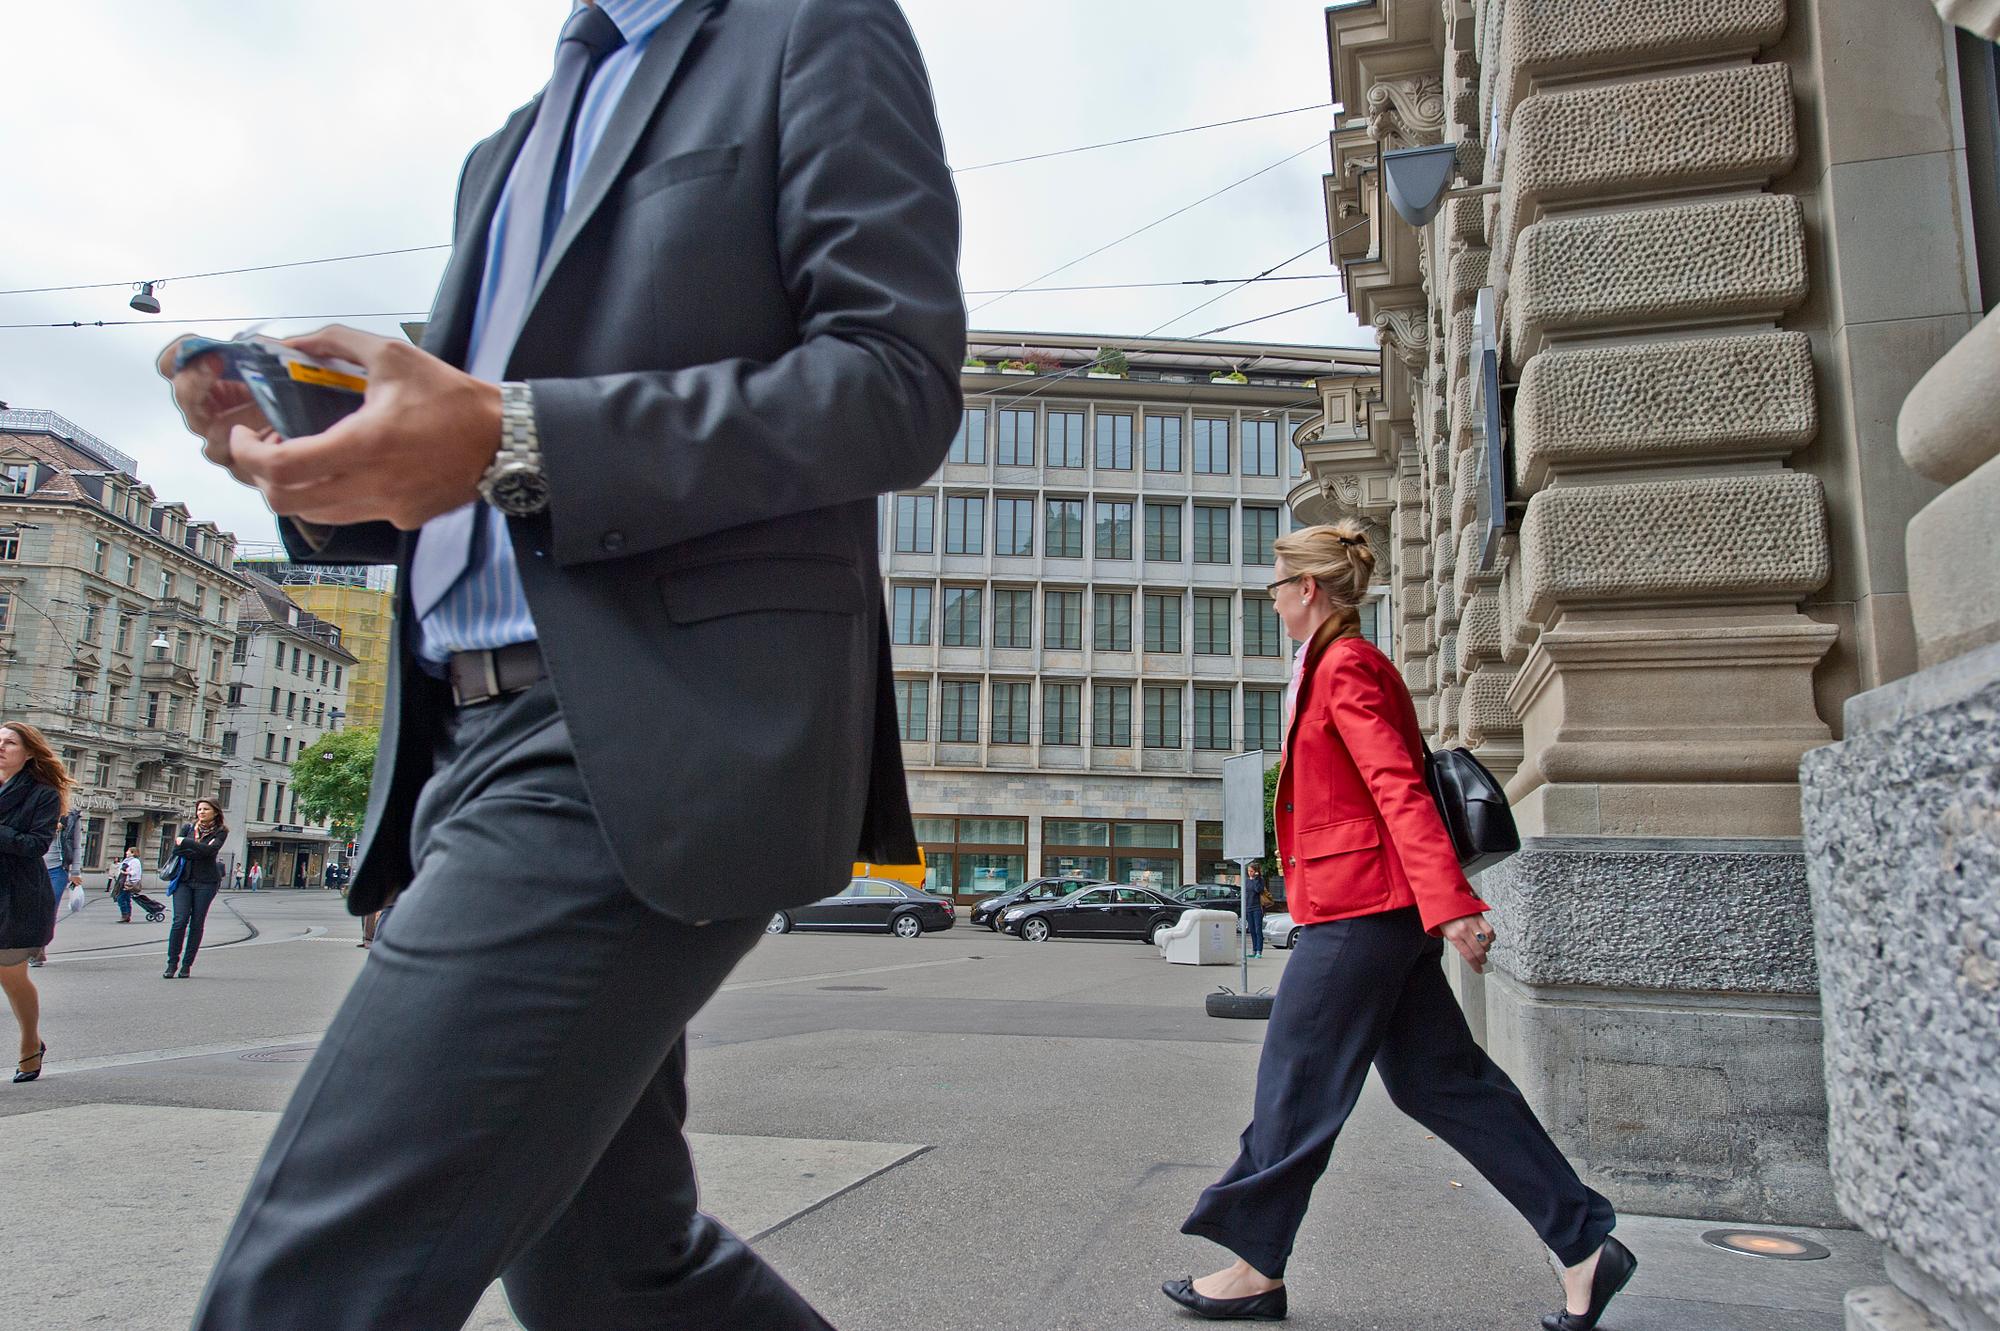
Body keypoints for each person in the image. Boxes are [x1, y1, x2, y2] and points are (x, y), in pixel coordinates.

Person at [157, 0, 961, 1324]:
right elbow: (457, 462)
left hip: (630, 735)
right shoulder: (510, 144)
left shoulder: (808, 27)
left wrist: (515, 434)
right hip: (463, 746)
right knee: (615, 1270)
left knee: (308, 1280)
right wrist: (302, 449)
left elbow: (893, 385)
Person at [1163, 522, 1636, 1331]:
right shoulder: (1330, 665)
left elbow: (1399, 788)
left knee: (1294, 1081)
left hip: (1361, 911)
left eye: (1276, 587)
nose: (1272, 601)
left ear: (1307, 589)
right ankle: (1586, 1241)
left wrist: (1450, 903)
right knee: (1439, 1083)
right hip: (1374, 908)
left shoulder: (1346, 665)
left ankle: (1253, 1267)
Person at [0, 723, 76, 1084]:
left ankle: (30, 1041)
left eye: (9, 743)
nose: (1, 747)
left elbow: (35, 845)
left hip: (16, 894)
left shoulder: (42, 794)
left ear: (28, 752)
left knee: (11, 977)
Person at [163, 801, 228, 979]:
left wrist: (186, 843)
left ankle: (186, 965)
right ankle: (171, 964)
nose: (201, 812)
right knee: (179, 920)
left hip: (206, 882)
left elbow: (210, 851)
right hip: (183, 880)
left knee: (197, 923)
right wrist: (194, 847)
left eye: (206, 809)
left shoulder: (221, 831)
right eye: (199, 809)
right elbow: (177, 851)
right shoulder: (188, 827)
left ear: (215, 812)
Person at [113, 846, 145, 923]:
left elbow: (134, 872)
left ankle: (125, 915)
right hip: (123, 882)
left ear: (133, 853)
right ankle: (127, 915)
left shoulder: (135, 861)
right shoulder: (127, 860)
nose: (126, 852)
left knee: (121, 898)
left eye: (128, 851)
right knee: (126, 898)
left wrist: (125, 872)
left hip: (129, 883)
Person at [1244, 861, 1267, 958]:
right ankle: (1253, 950)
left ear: (1256, 871)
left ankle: (1259, 951)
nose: (1250, 873)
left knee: (1258, 930)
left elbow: (1258, 890)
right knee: (1252, 930)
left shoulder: (1260, 880)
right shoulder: (1246, 880)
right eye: (1249, 871)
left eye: (1252, 871)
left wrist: (1256, 878)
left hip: (1257, 908)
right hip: (1248, 907)